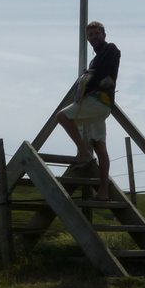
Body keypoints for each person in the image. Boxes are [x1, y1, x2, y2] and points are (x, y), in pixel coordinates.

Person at [56, 21, 120, 201]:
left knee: (62, 116)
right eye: (90, 35)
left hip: (98, 100)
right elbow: (97, 74)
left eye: (96, 34)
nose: (93, 37)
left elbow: (102, 74)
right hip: (100, 103)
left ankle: (83, 153)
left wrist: (85, 84)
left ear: (104, 34)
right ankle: (103, 191)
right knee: (99, 145)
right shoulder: (96, 57)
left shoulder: (111, 50)